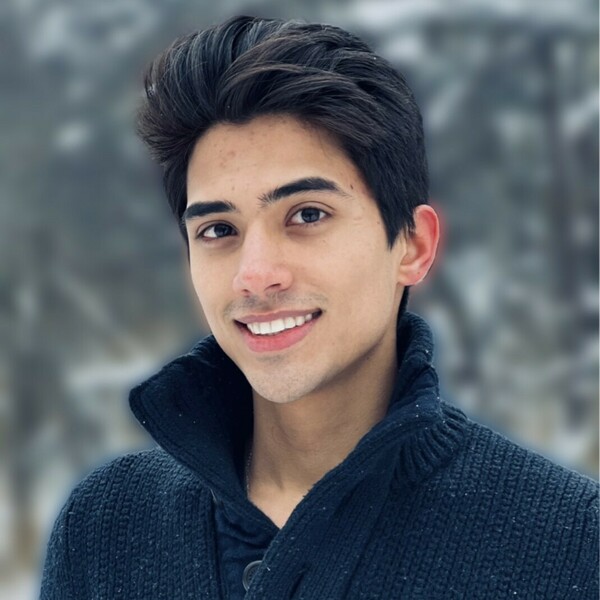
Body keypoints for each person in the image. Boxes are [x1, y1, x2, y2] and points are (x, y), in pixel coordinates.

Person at [40, 15, 598, 599]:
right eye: (218, 229)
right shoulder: (107, 526)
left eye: (307, 215)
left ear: (414, 245)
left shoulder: (569, 544)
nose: (255, 275)